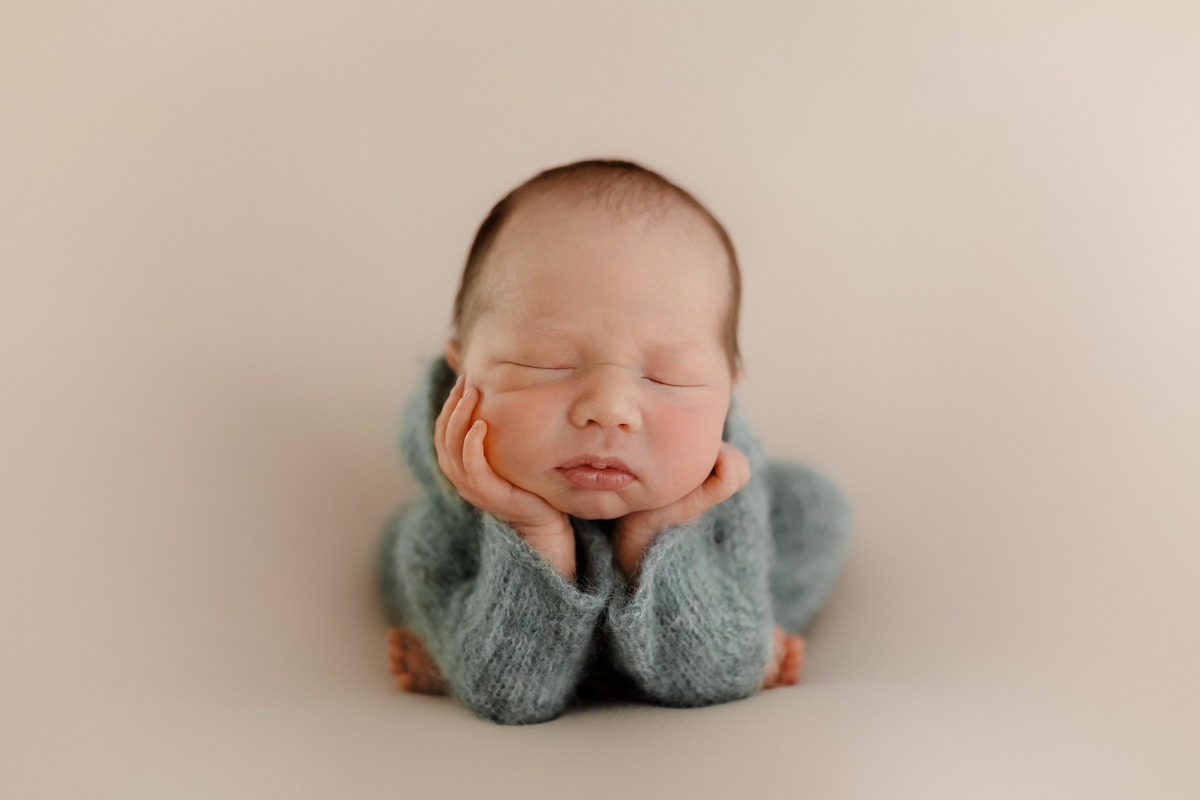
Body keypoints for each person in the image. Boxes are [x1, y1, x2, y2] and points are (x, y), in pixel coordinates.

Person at [379, 159, 850, 724]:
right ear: (463, 372)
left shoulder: (719, 490)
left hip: (701, 580)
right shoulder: (454, 511)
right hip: (492, 589)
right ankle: (461, 644)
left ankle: (463, 652)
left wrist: (655, 534)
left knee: (811, 511)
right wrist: (530, 531)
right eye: (544, 363)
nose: (609, 410)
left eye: (667, 376)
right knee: (398, 556)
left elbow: (709, 682)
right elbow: (509, 695)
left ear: (727, 390)